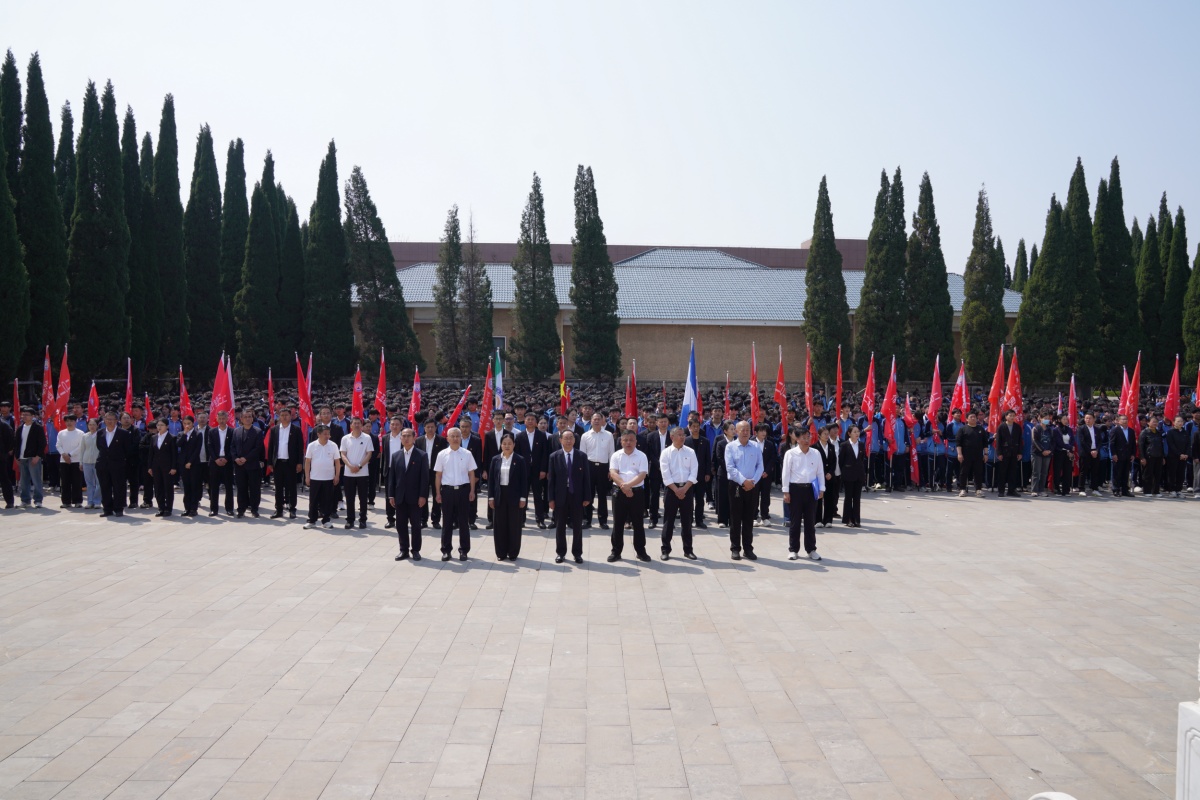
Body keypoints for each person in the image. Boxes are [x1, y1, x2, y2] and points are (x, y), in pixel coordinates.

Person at [547, 429, 591, 564]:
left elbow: (586, 478)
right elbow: (551, 480)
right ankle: (560, 553)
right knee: (560, 525)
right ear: (560, 440)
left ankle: (577, 553)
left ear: (574, 440)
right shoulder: (554, 456)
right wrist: (551, 499)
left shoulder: (581, 456)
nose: (568, 440)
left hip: (577, 495)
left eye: (571, 438)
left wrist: (587, 497)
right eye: (565, 438)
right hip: (560, 495)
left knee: (577, 526)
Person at [782, 427, 825, 561]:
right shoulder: (790, 453)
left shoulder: (816, 453)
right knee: (795, 522)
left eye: (808, 437)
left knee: (810, 521)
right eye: (804, 438)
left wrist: (822, 489)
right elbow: (785, 473)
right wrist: (785, 491)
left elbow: (820, 472)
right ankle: (793, 550)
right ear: (797, 439)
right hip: (795, 489)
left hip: (811, 489)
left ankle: (811, 549)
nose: (807, 440)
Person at [434, 427, 477, 561]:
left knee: (463, 522)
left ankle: (464, 550)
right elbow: (438, 475)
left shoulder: (467, 454)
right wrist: (438, 493)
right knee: (447, 522)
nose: (455, 438)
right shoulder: (442, 454)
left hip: (463, 490)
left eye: (457, 436)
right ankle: (446, 550)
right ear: (447, 438)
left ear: (461, 438)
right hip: (447, 491)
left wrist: (472, 491)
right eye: (452, 436)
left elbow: (471, 474)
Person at [607, 430, 650, 562]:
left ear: (636, 441)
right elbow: (613, 473)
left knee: (638, 523)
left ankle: (641, 551)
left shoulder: (642, 456)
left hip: (637, 492)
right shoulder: (616, 455)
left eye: (631, 440)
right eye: (625, 440)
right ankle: (616, 551)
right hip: (619, 492)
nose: (628, 443)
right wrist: (624, 487)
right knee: (618, 523)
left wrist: (628, 486)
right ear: (621, 441)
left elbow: (642, 475)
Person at [387, 427, 429, 560]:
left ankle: (415, 550)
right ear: (400, 438)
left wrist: (423, 496)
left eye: (408, 436)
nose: (406, 438)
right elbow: (392, 477)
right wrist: (391, 495)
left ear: (414, 438)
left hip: (415, 497)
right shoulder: (396, 455)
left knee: (416, 525)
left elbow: (425, 478)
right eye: (403, 436)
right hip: (400, 497)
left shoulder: (421, 455)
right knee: (400, 525)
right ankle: (403, 550)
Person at [725, 420, 764, 560]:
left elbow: (760, 466)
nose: (745, 432)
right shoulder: (730, 447)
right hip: (736, 486)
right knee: (735, 518)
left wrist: (752, 481)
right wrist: (743, 481)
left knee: (749, 518)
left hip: (752, 486)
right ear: (736, 431)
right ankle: (735, 548)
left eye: (748, 429)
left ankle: (748, 548)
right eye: (743, 430)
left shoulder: (755, 446)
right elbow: (730, 468)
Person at [659, 426, 698, 560]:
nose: (682, 437)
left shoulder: (690, 452)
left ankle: (688, 550)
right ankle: (665, 549)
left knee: (687, 521)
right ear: (672, 437)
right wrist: (676, 490)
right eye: (679, 435)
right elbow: (665, 474)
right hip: (671, 490)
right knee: (668, 521)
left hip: (687, 489)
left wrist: (684, 489)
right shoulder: (666, 453)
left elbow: (694, 472)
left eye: (683, 435)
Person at [488, 432, 529, 561]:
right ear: (501, 445)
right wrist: (491, 497)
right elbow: (491, 480)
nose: (507, 446)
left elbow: (524, 481)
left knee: (514, 525)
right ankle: (501, 553)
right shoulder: (495, 459)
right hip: (499, 495)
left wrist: (523, 498)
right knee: (499, 525)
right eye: (504, 444)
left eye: (509, 444)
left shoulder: (519, 460)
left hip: (514, 496)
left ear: (514, 445)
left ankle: (513, 552)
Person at [515, 411, 550, 529]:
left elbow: (545, 454)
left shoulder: (541, 435)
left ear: (536, 422)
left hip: (537, 471)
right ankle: (521, 519)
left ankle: (540, 519)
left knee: (538, 496)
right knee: (522, 495)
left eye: (532, 419)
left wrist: (543, 470)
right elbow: (517, 455)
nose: (530, 421)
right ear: (524, 421)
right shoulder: (519, 436)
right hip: (524, 471)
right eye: (528, 419)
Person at [581, 412, 615, 530]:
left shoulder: (608, 435)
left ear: (602, 421)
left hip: (603, 467)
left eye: (598, 419)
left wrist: (611, 469)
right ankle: (587, 520)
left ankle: (603, 521)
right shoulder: (585, 436)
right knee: (588, 495)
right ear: (591, 421)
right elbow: (582, 454)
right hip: (589, 467)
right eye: (594, 419)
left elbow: (611, 453)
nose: (596, 421)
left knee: (602, 495)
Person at [267, 408, 303, 519]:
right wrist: (270, 462)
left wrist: (299, 462)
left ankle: (292, 509)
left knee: (292, 487)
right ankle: (279, 509)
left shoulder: (296, 430)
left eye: (286, 415)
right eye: (282, 415)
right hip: (278, 463)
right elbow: (271, 447)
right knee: (278, 488)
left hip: (290, 463)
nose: (284, 417)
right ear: (279, 417)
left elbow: (300, 447)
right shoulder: (274, 429)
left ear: (290, 416)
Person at [304, 424, 341, 528]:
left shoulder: (333, 445)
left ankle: (326, 520)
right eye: (325, 434)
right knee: (313, 500)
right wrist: (307, 476)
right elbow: (307, 462)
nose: (327, 436)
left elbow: (337, 462)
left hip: (328, 478)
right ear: (318, 434)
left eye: (328, 434)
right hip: (315, 477)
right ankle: (312, 520)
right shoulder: (312, 445)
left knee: (327, 500)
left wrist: (337, 475)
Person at [340, 417, 374, 529]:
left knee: (363, 498)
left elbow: (369, 454)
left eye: (359, 423)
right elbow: (343, 454)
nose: (356, 425)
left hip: (362, 473)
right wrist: (350, 466)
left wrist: (359, 466)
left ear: (362, 425)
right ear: (351, 425)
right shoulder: (345, 438)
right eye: (354, 423)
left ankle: (363, 520)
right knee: (349, 498)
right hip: (348, 473)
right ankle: (350, 520)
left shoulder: (367, 438)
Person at [95, 412, 130, 518]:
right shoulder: (100, 432)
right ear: (104, 420)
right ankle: (107, 509)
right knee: (105, 487)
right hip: (103, 465)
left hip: (118, 465)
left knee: (118, 487)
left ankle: (118, 508)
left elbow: (127, 449)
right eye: (107, 419)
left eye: (112, 419)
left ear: (116, 421)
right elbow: (99, 447)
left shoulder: (123, 433)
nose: (109, 421)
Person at [232, 409, 265, 517]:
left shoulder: (258, 431)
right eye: (245, 417)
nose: (247, 419)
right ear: (241, 419)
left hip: (252, 464)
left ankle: (254, 509)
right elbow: (232, 447)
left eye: (249, 416)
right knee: (241, 488)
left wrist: (246, 458)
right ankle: (241, 509)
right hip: (239, 465)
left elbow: (258, 448)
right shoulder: (236, 431)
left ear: (252, 418)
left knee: (254, 488)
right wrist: (236, 458)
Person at [416, 418, 446, 529]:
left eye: (432, 427)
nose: (430, 429)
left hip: (436, 472)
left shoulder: (441, 440)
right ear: (424, 428)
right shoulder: (419, 441)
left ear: (435, 428)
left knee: (437, 495)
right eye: (428, 427)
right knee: (422, 495)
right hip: (422, 472)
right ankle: (423, 520)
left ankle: (435, 520)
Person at [639, 414, 669, 528]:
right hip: (655, 470)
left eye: (665, 421)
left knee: (669, 496)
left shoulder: (672, 435)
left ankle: (668, 520)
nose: (663, 424)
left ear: (668, 423)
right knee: (654, 495)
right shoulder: (651, 436)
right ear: (657, 423)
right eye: (661, 422)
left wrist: (666, 465)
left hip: (669, 470)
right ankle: (653, 519)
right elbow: (649, 453)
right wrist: (659, 464)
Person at [15, 406, 47, 508]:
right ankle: (25, 500)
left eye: (27, 415)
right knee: (24, 481)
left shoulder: (37, 428)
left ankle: (38, 500)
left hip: (33, 457)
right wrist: (16, 456)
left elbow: (42, 443)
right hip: (22, 458)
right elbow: (16, 443)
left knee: (36, 480)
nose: (24, 416)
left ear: (33, 416)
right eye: (23, 414)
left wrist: (37, 456)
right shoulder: (20, 428)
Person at [206, 411, 235, 516]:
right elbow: (210, 446)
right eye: (220, 418)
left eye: (224, 418)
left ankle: (229, 509)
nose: (222, 421)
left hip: (228, 462)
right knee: (214, 487)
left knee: (228, 487)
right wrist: (216, 459)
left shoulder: (232, 431)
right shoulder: (212, 431)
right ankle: (214, 509)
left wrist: (226, 458)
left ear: (227, 419)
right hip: (215, 462)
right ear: (217, 419)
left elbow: (233, 447)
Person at [684, 417, 711, 529]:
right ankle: (689, 520)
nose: (696, 428)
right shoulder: (685, 441)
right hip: (688, 475)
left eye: (697, 426)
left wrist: (708, 473)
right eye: (693, 426)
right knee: (689, 499)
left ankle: (699, 520)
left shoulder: (705, 441)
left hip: (701, 474)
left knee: (700, 499)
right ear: (689, 428)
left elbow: (707, 458)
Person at [147, 418, 177, 517]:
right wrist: (150, 467)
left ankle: (168, 508)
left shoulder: (171, 438)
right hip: (156, 466)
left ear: (167, 426)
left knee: (168, 488)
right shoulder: (154, 437)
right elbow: (151, 453)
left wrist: (173, 467)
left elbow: (174, 454)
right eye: (158, 425)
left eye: (162, 425)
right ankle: (161, 507)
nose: (159, 427)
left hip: (168, 467)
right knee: (158, 487)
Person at [838, 425, 867, 527]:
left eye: (858, 431)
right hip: (848, 474)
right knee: (848, 497)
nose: (857, 434)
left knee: (857, 498)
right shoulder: (844, 445)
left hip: (859, 474)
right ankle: (848, 519)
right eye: (854, 432)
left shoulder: (861, 445)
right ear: (849, 433)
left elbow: (862, 459)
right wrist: (845, 471)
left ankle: (856, 519)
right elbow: (841, 461)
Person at [177, 415, 204, 516]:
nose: (187, 425)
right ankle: (187, 508)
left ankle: (193, 508)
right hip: (183, 464)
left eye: (189, 423)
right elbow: (178, 444)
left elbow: (197, 450)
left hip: (194, 463)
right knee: (186, 486)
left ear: (193, 423)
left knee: (194, 486)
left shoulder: (198, 434)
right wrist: (184, 434)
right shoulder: (181, 434)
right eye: (185, 423)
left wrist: (190, 462)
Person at [955, 410, 987, 497]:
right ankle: (962, 489)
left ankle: (978, 490)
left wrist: (986, 454)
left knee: (978, 472)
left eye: (974, 417)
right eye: (971, 417)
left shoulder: (980, 429)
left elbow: (985, 443)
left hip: (978, 455)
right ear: (966, 419)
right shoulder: (963, 429)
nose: (973, 418)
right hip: (966, 455)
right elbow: (958, 443)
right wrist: (959, 454)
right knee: (964, 472)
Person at [56, 414, 84, 508]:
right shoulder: (61, 433)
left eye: (71, 421)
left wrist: (70, 455)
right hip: (63, 461)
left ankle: (77, 501)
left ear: (75, 422)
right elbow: (58, 445)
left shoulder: (80, 433)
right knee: (65, 482)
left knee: (77, 481)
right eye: (67, 421)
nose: (69, 423)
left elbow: (80, 446)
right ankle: (66, 501)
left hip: (76, 460)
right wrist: (64, 454)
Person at [994, 409, 1023, 497]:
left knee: (1013, 472)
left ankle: (1011, 490)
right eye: (1010, 415)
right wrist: (999, 453)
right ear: (1006, 417)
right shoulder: (1001, 427)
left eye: (1013, 416)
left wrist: (1019, 452)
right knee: (1002, 472)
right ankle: (1001, 490)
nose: (1012, 417)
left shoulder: (1017, 427)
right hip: (1004, 453)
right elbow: (998, 441)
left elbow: (1020, 440)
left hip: (1014, 452)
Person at [816, 424, 840, 526]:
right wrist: (824, 473)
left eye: (827, 434)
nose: (826, 436)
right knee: (818, 498)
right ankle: (817, 520)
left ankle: (828, 520)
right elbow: (816, 463)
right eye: (824, 434)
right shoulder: (815, 447)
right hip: (819, 476)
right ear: (819, 435)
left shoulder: (831, 447)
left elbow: (834, 462)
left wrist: (830, 472)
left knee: (829, 498)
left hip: (830, 477)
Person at [753, 423, 778, 522]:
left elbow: (772, 458)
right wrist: (757, 472)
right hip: (754, 474)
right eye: (761, 431)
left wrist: (767, 471)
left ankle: (765, 515)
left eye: (765, 431)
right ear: (756, 432)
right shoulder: (751, 443)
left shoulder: (769, 444)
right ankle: (754, 515)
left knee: (765, 495)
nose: (764, 433)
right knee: (754, 495)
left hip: (766, 475)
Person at [713, 421, 735, 527]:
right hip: (723, 473)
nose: (733, 431)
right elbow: (719, 458)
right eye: (731, 429)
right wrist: (730, 469)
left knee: (734, 497)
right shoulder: (721, 443)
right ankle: (722, 520)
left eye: (734, 429)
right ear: (725, 431)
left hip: (735, 475)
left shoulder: (738, 442)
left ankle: (733, 520)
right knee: (722, 497)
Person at [1076, 412, 1103, 497]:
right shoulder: (1081, 429)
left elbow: (1100, 441)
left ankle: (1094, 488)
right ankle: (1081, 489)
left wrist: (1096, 450)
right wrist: (1090, 451)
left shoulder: (1097, 429)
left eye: (1090, 418)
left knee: (1095, 471)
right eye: (1086, 418)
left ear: (1094, 419)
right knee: (1083, 471)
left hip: (1095, 452)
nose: (1088, 420)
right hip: (1085, 452)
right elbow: (1082, 442)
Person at [1029, 410, 1055, 497]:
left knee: (1044, 472)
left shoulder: (1050, 430)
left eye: (1048, 418)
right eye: (1045, 418)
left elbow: (1053, 442)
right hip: (1037, 453)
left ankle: (1041, 490)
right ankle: (1034, 490)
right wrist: (1042, 450)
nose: (1047, 420)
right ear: (1040, 418)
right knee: (1036, 472)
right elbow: (1035, 441)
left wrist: (1049, 450)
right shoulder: (1036, 428)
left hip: (1048, 454)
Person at [1051, 413, 1076, 497]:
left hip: (1068, 453)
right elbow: (1059, 442)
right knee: (1057, 471)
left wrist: (1070, 450)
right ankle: (1057, 489)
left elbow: (1072, 440)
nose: (1066, 421)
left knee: (1067, 471)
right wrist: (1069, 447)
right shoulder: (1056, 430)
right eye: (1064, 419)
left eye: (1066, 419)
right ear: (1059, 420)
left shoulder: (1069, 429)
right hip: (1059, 452)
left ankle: (1066, 490)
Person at [1165, 415, 1189, 498]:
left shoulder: (1185, 432)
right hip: (1173, 456)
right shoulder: (1170, 432)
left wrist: (1186, 454)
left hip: (1183, 457)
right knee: (1172, 473)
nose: (1180, 423)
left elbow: (1188, 444)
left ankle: (1179, 490)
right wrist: (1179, 454)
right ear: (1174, 422)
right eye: (1178, 421)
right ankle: (1172, 490)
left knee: (1181, 474)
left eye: (1181, 421)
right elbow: (1171, 445)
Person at [79, 418, 100, 510]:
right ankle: (90, 501)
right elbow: (82, 450)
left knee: (99, 483)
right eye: (90, 425)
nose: (92, 426)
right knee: (89, 483)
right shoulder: (85, 436)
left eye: (94, 424)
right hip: (86, 461)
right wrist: (81, 462)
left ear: (97, 425)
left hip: (97, 462)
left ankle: (97, 501)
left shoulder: (100, 435)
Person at [0, 413, 13, 509]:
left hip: (1, 457)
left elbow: (10, 439)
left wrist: (5, 452)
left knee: (4, 479)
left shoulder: (4, 425)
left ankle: (9, 501)